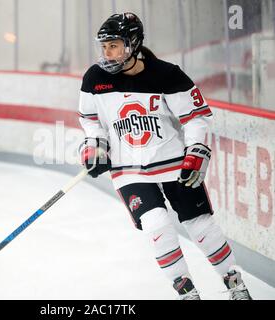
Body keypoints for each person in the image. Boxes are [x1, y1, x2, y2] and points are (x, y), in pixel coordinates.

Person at [78, 12, 252, 300]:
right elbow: (91, 120)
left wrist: (195, 150)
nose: (106, 53)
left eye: (114, 45)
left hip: (173, 162)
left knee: (199, 225)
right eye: (104, 46)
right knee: (156, 224)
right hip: (128, 168)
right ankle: (187, 293)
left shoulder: (167, 74)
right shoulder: (94, 79)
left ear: (132, 45)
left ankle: (235, 285)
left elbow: (197, 117)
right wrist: (95, 146)